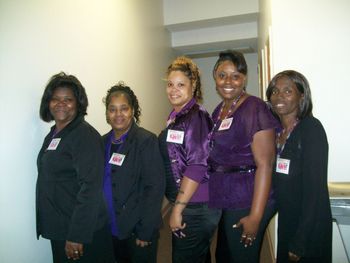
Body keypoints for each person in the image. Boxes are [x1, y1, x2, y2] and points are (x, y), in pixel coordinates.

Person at [207, 50, 279, 263]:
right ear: (215, 78)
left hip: (247, 197)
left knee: (242, 258)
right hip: (227, 197)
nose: (228, 81)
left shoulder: (254, 108)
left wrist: (256, 216)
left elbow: (265, 164)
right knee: (226, 256)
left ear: (244, 78)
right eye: (222, 75)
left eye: (235, 75)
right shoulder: (220, 110)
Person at [36, 72, 114, 263]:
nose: (61, 103)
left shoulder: (83, 135)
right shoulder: (55, 134)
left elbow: (91, 188)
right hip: (61, 226)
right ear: (48, 102)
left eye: (68, 99)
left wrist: (76, 235)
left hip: (80, 232)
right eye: (55, 99)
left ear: (78, 104)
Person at [158, 56, 221, 263]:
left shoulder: (196, 116)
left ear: (193, 86)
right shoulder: (177, 117)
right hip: (191, 204)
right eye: (170, 84)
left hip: (196, 206)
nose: (173, 89)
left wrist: (176, 209)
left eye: (180, 85)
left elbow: (196, 165)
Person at [266, 70, 332, 263]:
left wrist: (300, 240)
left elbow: (315, 191)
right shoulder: (279, 133)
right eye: (275, 91)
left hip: (309, 228)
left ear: (301, 95)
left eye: (288, 91)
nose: (279, 96)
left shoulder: (311, 129)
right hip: (288, 220)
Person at [102, 82, 165, 263]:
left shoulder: (146, 141)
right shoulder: (102, 142)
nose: (118, 114)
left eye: (124, 108)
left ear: (132, 111)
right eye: (112, 109)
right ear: (107, 113)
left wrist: (145, 231)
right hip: (111, 226)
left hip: (137, 227)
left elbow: (154, 187)